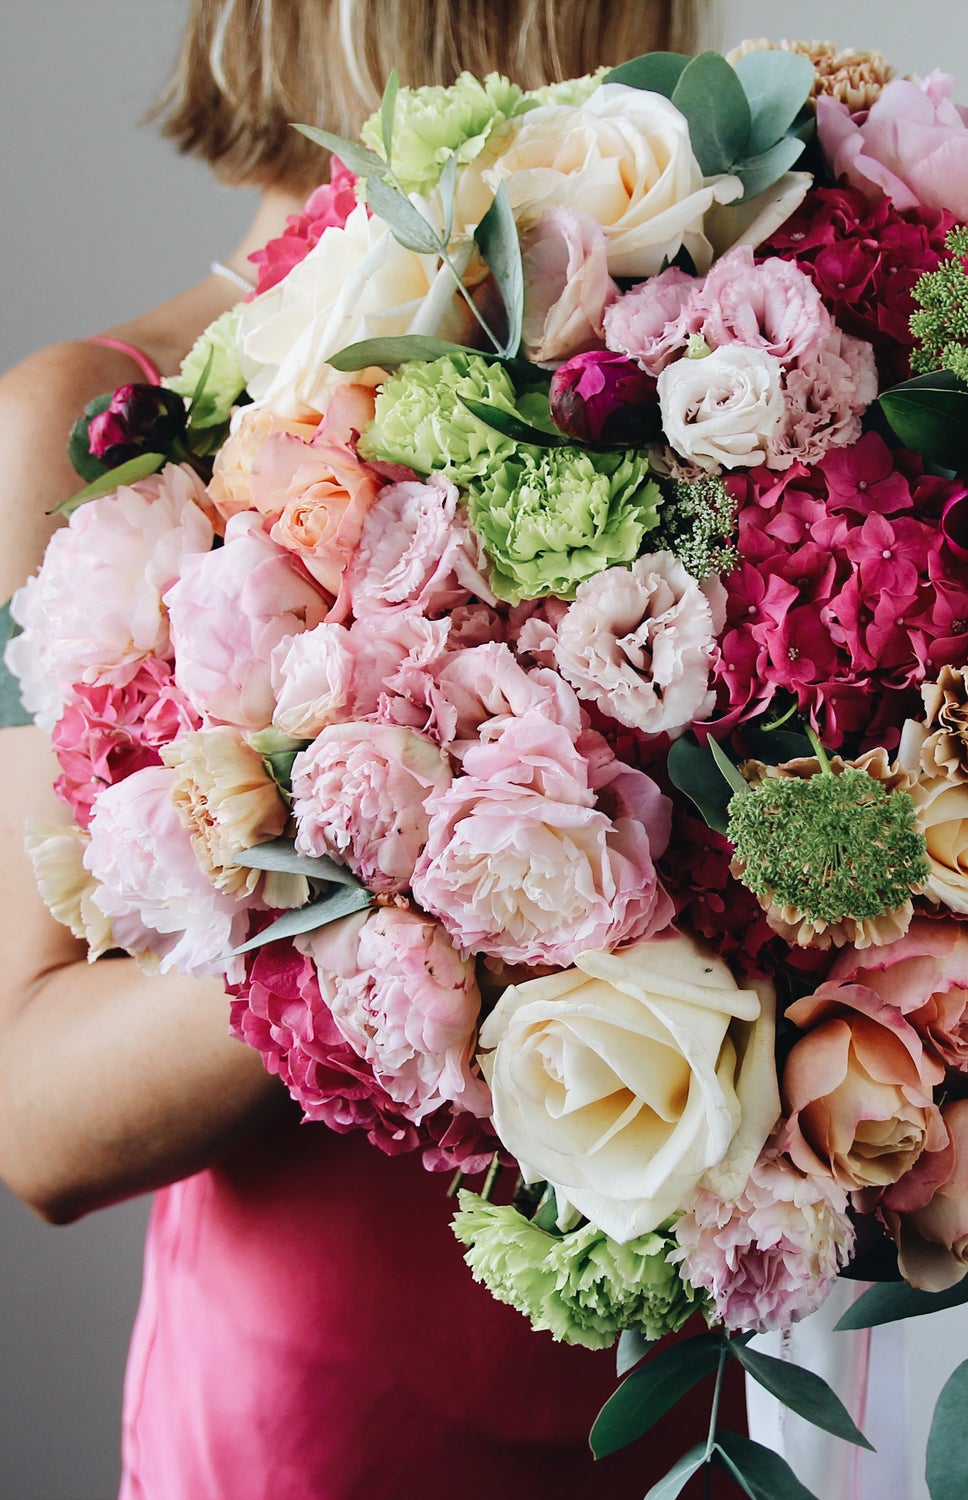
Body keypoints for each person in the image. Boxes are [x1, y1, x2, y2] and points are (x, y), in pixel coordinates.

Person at [0, 3, 738, 1496]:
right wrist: (410, 852)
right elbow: (35, 1116)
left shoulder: (706, 367)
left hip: (691, 1392)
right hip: (326, 1423)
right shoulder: (95, 419)